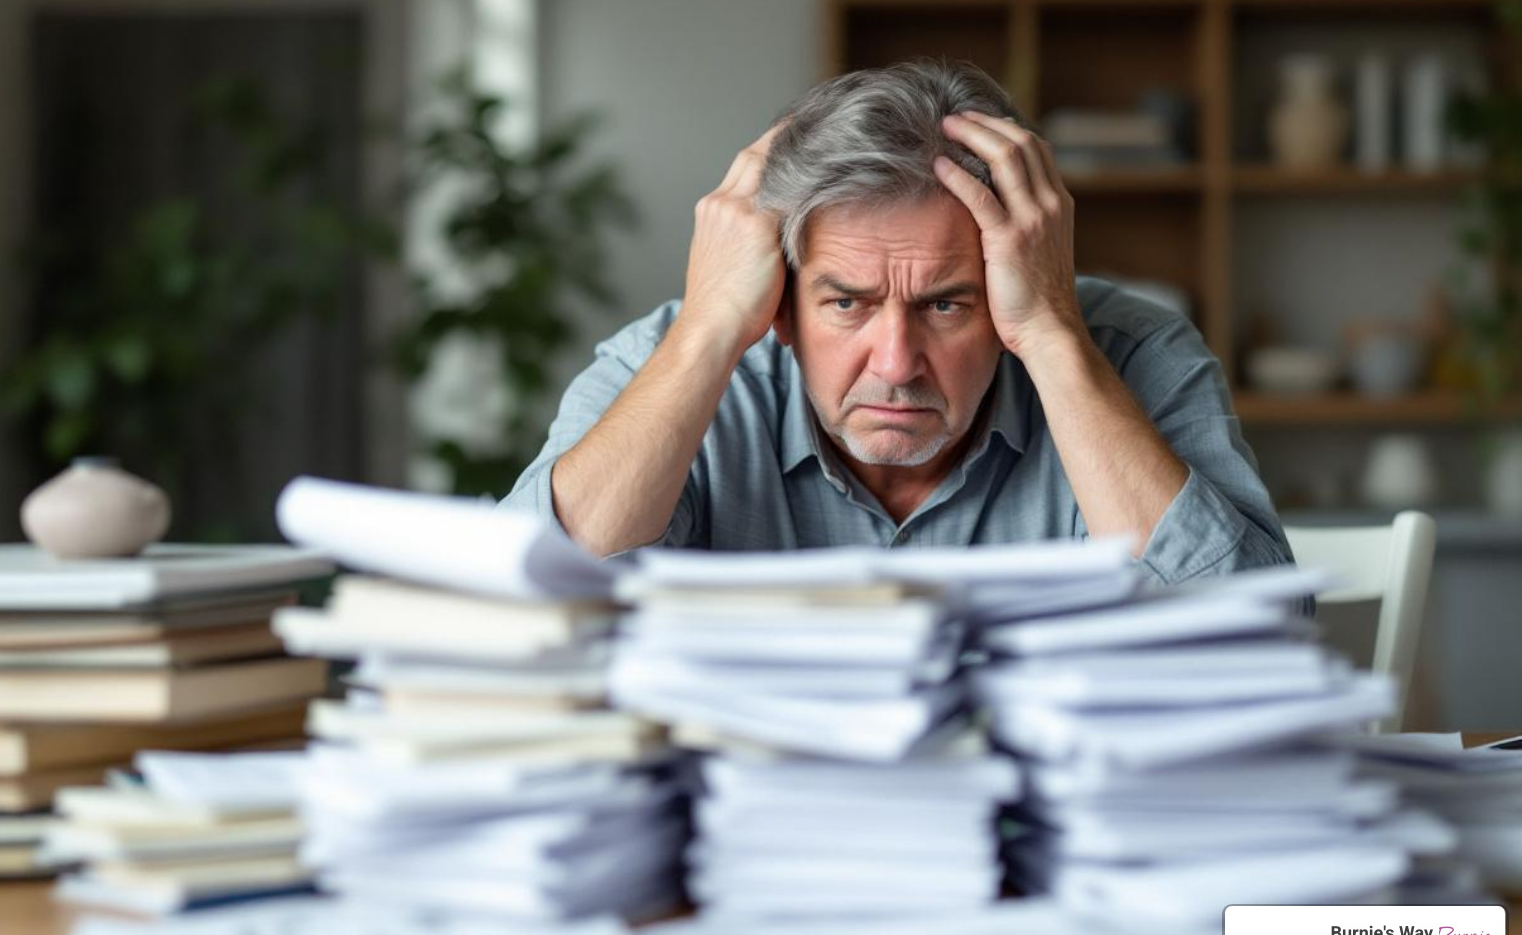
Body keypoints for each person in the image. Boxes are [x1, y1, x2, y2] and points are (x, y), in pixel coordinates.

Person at [503, 59, 1293, 586]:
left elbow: (1254, 638)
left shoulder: (1131, 354)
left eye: (946, 303)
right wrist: (709, 332)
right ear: (779, 299)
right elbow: (523, 607)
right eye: (845, 302)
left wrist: (1051, 335)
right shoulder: (681, 354)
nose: (895, 362)